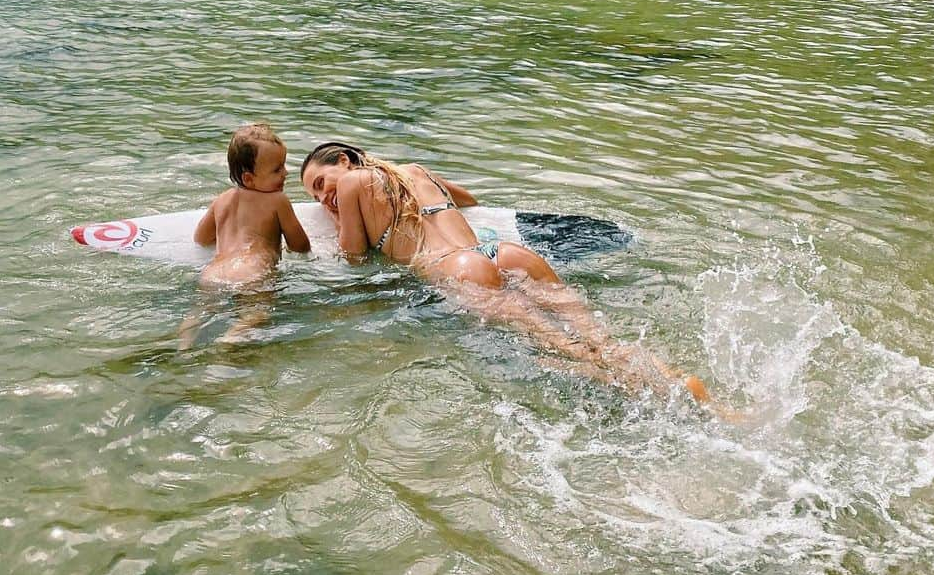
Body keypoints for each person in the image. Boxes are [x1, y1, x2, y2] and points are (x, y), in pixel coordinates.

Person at [299, 141, 713, 405]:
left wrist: (340, 221)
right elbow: (469, 200)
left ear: (343, 160)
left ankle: (652, 396)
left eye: (320, 183)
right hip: (502, 253)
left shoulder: (352, 184)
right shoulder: (413, 169)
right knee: (598, 339)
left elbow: (353, 256)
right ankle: (674, 380)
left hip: (455, 269)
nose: (323, 197)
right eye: (315, 195)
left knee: (556, 351)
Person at [194, 122, 311, 286]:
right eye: (277, 169)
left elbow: (201, 238)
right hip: (253, 267)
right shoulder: (277, 200)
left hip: (216, 269)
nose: (286, 173)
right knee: (254, 310)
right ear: (249, 179)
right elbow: (300, 246)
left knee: (202, 309)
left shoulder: (221, 200)